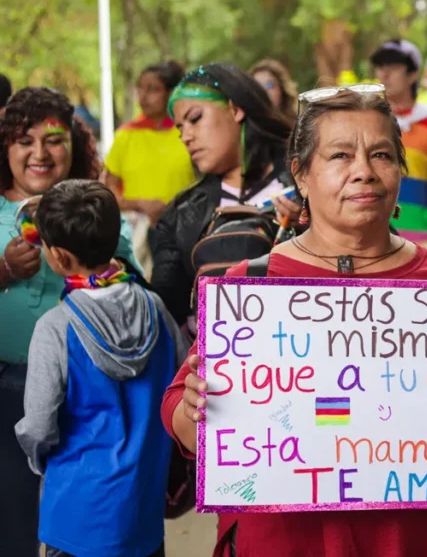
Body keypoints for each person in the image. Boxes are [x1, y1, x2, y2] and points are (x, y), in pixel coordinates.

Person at [161, 84, 427, 557]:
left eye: (382, 155)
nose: (364, 172)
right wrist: (195, 408)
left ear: (401, 171)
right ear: (302, 176)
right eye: (340, 156)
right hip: (289, 544)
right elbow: (184, 421)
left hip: (425, 542)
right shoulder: (252, 288)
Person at [0, 87, 140, 557]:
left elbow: (135, 288)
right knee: (11, 521)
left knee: (86, 528)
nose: (39, 153)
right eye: (24, 140)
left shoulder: (98, 210)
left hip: (91, 396)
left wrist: (88, 248)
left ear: (74, 147)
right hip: (5, 389)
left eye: (54, 140)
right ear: (6, 148)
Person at [15, 180, 186, 557]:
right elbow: (182, 385)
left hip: (75, 519)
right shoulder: (156, 309)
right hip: (142, 515)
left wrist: (39, 458)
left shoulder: (55, 328)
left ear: (57, 256)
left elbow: (39, 425)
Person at [151, 64, 296, 328]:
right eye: (180, 128)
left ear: (236, 109)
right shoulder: (179, 215)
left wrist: (315, 229)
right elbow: (165, 313)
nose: (186, 136)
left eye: (195, 118)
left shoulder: (311, 185)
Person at [370, 39, 427, 254]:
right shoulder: (368, 119)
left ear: (413, 74)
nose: (384, 74)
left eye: (394, 67)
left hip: (420, 239)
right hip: (370, 237)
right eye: (380, 67)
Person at [103, 61, 196, 226]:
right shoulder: (125, 136)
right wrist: (140, 204)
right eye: (140, 88)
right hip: (136, 233)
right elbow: (109, 190)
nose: (143, 96)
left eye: (153, 89)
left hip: (186, 226)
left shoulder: (189, 133)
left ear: (171, 93)